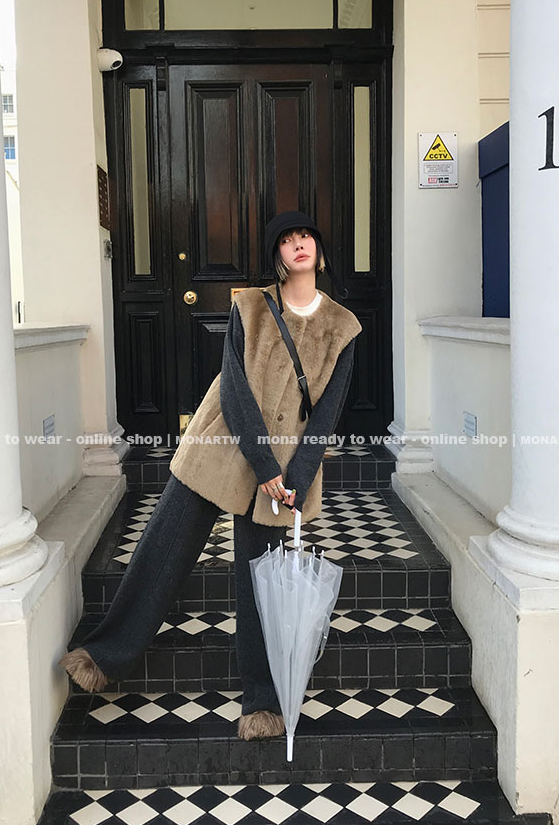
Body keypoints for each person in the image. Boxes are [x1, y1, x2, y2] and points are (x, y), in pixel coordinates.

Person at [60, 211, 362, 740]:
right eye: (287, 240)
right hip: (221, 444)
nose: (298, 245)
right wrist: (262, 464)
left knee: (261, 580)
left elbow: (328, 413)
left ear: (319, 250)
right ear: (277, 255)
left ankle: (262, 703)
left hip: (288, 463)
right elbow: (234, 388)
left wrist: (295, 473)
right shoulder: (251, 306)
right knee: (163, 548)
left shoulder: (343, 326)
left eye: (306, 237)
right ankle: (105, 655)